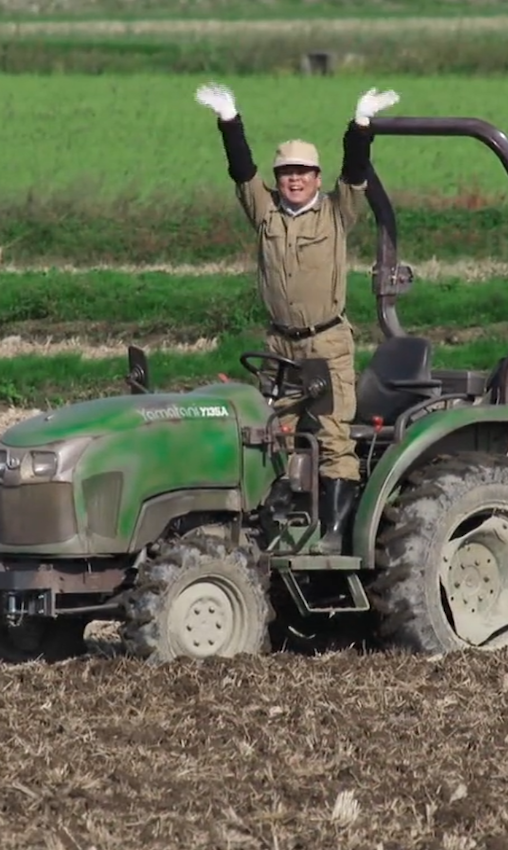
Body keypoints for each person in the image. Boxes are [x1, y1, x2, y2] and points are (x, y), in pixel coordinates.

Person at [194, 82, 400, 554]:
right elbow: (241, 171)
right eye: (286, 172)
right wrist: (229, 119)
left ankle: (332, 536)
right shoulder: (266, 213)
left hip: (325, 343)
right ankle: (276, 525)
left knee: (332, 436)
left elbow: (355, 171)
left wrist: (361, 123)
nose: (294, 180)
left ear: (316, 176)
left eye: (303, 172)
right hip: (279, 345)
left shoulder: (335, 212)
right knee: (273, 434)